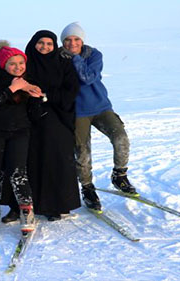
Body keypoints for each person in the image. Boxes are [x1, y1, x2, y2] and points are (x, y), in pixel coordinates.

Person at [1, 30, 81, 222]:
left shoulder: (64, 64)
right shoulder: (24, 64)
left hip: (56, 118)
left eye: (49, 44)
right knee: (20, 161)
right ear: (33, 43)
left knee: (54, 159)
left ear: (54, 46)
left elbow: (70, 92)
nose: (44, 47)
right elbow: (12, 82)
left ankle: (53, 205)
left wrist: (45, 95)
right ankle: (16, 205)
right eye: (40, 43)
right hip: (25, 118)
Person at [59, 22, 137, 211]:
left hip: (101, 107)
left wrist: (74, 58)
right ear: (62, 41)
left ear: (82, 40)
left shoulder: (94, 55)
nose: (72, 43)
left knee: (121, 138)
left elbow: (87, 77)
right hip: (78, 112)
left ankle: (119, 175)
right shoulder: (58, 58)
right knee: (83, 152)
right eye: (68, 40)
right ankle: (87, 188)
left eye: (76, 39)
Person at [0, 40, 44, 232]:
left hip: (19, 132)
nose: (18, 67)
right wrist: (12, 88)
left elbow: (35, 115)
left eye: (21, 63)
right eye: (12, 64)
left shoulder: (27, 83)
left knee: (18, 172)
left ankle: (26, 209)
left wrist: (37, 99)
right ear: (4, 65)